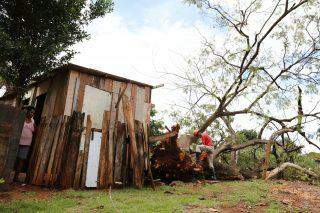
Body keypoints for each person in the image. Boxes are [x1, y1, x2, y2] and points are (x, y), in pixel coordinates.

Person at [14, 106, 36, 182]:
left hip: (26, 144)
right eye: (31, 112)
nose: (32, 114)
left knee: (21, 160)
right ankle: (6, 176)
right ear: (27, 112)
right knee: (13, 159)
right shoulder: (21, 118)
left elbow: (34, 131)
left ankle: (16, 177)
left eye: (33, 113)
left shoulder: (33, 121)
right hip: (16, 142)